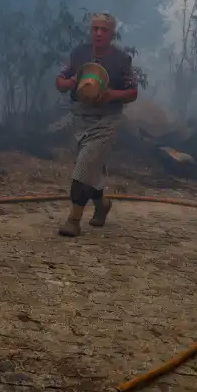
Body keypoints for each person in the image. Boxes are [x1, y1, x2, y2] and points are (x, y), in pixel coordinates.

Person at [55, 13, 138, 237]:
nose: (99, 33)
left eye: (104, 29)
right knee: (91, 169)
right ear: (90, 31)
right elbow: (60, 81)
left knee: (83, 166)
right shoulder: (79, 54)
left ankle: (73, 220)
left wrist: (111, 95)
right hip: (81, 117)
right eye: (95, 29)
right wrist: (72, 82)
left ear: (112, 33)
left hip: (106, 120)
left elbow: (132, 92)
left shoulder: (121, 60)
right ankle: (102, 205)